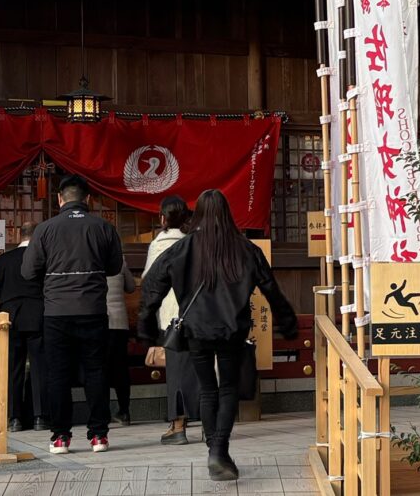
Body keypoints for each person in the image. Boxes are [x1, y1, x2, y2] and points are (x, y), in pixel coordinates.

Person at [138, 189, 298, 481]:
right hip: (231, 331)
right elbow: (272, 290)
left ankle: (215, 449)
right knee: (228, 390)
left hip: (196, 331)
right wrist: (287, 323)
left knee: (208, 389)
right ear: (227, 213)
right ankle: (219, 450)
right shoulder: (246, 249)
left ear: (197, 214)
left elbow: (152, 288)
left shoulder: (181, 250)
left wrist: (146, 329)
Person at [21, 174, 123, 455]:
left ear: (59, 199)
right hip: (93, 310)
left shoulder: (45, 229)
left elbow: (28, 271)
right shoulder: (104, 227)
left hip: (56, 312)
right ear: (87, 199)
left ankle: (60, 437)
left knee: (58, 375)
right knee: (96, 371)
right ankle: (99, 436)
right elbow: (114, 268)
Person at [142, 196, 198, 445]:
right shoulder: (193, 243)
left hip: (171, 317)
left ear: (162, 218)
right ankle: (209, 423)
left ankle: (178, 426)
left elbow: (150, 282)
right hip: (198, 313)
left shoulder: (158, 245)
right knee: (201, 367)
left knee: (176, 370)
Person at [0, 222, 48, 432]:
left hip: (10, 317)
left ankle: (14, 418)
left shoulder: (2, 260)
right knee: (39, 367)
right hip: (38, 314)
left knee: (12, 368)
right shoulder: (43, 260)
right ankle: (40, 417)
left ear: (18, 235)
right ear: (38, 237)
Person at [105, 261, 136, 426]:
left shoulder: (91, 258)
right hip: (120, 322)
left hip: (100, 321)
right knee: (120, 368)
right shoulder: (120, 263)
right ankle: (124, 411)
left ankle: (102, 412)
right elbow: (131, 287)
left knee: (100, 368)